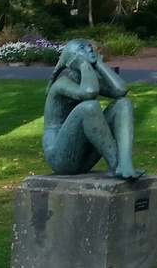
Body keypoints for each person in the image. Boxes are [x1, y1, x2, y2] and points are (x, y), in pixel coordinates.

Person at [42, 39, 144, 179]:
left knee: (124, 103)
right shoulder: (61, 84)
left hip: (83, 156)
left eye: (89, 46)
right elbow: (89, 93)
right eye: (82, 48)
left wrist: (100, 64)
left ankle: (125, 162)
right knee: (89, 107)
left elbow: (120, 90)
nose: (90, 49)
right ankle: (116, 165)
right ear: (73, 58)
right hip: (60, 158)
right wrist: (85, 65)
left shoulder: (89, 79)